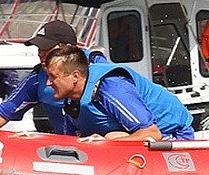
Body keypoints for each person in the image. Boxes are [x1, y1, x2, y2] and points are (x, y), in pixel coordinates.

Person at [44, 45, 195, 141]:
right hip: (133, 138)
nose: (48, 83)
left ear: (75, 76)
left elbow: (151, 133)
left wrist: (107, 143)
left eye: (53, 77)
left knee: (111, 136)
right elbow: (71, 141)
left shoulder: (111, 88)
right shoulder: (71, 100)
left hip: (172, 136)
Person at [0, 20, 78, 133]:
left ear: (68, 49)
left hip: (95, 143)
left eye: (47, 49)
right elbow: (3, 111)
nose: (40, 54)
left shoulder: (96, 72)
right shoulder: (37, 79)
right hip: (67, 145)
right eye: (39, 48)